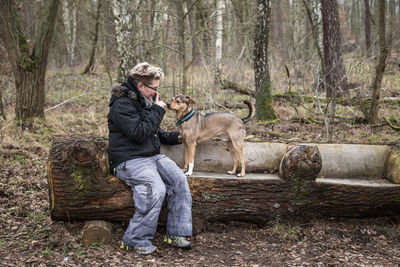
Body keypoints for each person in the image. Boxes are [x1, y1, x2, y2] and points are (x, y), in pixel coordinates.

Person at [107, 62, 192, 255]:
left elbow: (153, 131)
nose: (157, 93)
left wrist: (178, 138)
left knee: (179, 180)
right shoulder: (122, 103)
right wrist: (158, 110)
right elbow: (138, 133)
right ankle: (134, 240)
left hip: (151, 156)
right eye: (154, 88)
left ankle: (176, 233)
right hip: (128, 160)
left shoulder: (143, 100)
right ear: (140, 86)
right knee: (155, 188)